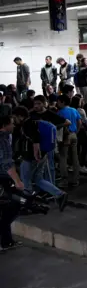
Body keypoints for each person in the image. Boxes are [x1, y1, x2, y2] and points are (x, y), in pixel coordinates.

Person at [12, 107, 68, 210]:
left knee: (26, 180)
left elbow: (35, 139)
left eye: (14, 117)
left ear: (20, 116)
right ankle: (60, 194)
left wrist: (35, 154)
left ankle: (28, 204)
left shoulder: (27, 124)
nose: (13, 120)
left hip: (31, 157)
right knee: (38, 179)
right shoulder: (34, 121)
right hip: (43, 155)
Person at [0, 115, 24, 253]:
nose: (14, 126)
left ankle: (6, 241)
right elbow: (6, 164)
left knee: (4, 210)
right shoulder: (3, 139)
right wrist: (17, 181)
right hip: (3, 179)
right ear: (4, 125)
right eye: (12, 124)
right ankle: (5, 240)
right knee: (14, 206)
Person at [56, 95, 82, 188]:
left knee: (63, 158)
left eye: (58, 102)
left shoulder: (60, 112)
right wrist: (76, 132)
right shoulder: (74, 110)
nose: (57, 103)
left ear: (62, 102)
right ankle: (76, 179)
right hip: (74, 135)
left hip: (65, 136)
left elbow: (58, 125)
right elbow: (79, 122)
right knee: (75, 158)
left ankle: (64, 180)